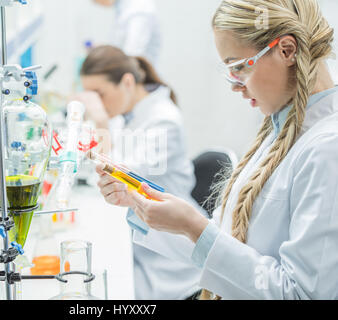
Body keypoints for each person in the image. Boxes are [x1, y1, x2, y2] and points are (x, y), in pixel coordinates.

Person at [95, 0, 338, 299]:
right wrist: (142, 205)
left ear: (287, 50)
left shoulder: (328, 149)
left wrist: (195, 228)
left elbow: (302, 294)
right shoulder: (278, 130)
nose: (234, 85)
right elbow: (222, 247)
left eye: (238, 67)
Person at [73, 45, 207, 300]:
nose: (97, 103)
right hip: (144, 237)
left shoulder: (163, 121)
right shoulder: (129, 114)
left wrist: (100, 121)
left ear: (127, 82)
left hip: (169, 258)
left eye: (99, 94)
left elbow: (117, 174)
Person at [91, 0, 161, 67]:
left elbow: (133, 53)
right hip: (128, 70)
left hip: (139, 74)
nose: (94, 2)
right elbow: (119, 45)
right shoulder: (123, 7)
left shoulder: (139, 8)